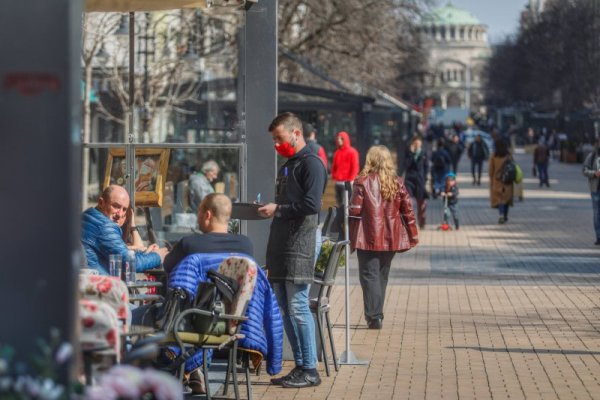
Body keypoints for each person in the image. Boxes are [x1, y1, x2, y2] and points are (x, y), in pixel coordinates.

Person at [258, 112, 327, 388]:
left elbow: (312, 205)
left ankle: (310, 368)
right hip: (282, 246)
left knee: (298, 308)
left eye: (279, 138)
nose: (276, 144)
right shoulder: (290, 164)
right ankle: (300, 366)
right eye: (274, 139)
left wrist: (279, 209)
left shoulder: (312, 164)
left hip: (299, 245)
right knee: (286, 309)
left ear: (295, 133)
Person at [349, 145, 418, 329]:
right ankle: (376, 314)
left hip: (367, 235)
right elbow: (408, 211)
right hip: (391, 237)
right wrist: (413, 235)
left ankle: (374, 316)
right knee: (381, 275)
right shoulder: (397, 182)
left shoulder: (362, 181)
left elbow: (355, 211)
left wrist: (349, 235)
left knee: (369, 275)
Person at [81, 185, 169, 275]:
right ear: (101, 202)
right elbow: (130, 264)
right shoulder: (104, 226)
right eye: (116, 206)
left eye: (124, 209)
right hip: (100, 285)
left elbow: (122, 256)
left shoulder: (89, 216)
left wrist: (148, 254)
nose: (120, 214)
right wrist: (158, 256)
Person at [163, 193, 254, 273]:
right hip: (236, 293)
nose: (197, 215)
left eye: (199, 211)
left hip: (198, 292)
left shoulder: (190, 244)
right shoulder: (245, 245)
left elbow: (167, 267)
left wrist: (159, 255)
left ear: (208, 215)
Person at [403, 135, 428, 229]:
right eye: (415, 142)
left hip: (420, 180)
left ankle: (422, 222)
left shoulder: (423, 152)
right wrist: (412, 154)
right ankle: (410, 223)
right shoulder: (408, 151)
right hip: (410, 180)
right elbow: (406, 165)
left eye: (419, 142)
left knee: (421, 203)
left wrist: (425, 179)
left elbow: (426, 167)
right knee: (409, 201)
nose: (417, 144)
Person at [331, 131, 359, 207]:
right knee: (339, 204)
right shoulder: (337, 152)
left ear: (345, 139)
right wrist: (334, 176)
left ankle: (345, 219)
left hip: (347, 183)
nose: (339, 140)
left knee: (346, 204)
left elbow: (355, 168)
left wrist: (350, 180)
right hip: (338, 183)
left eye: (341, 139)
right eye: (338, 139)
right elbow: (334, 166)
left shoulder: (352, 152)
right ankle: (340, 219)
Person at [488, 139, 514, 224]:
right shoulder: (508, 155)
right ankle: (505, 216)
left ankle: (501, 215)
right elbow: (513, 166)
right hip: (507, 180)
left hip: (497, 180)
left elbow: (491, 170)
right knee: (506, 199)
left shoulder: (494, 156)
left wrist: (491, 180)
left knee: (499, 199)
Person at [582, 137, 600, 245]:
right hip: (596, 190)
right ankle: (599, 236)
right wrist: (594, 174)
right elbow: (584, 170)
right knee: (597, 214)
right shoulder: (592, 156)